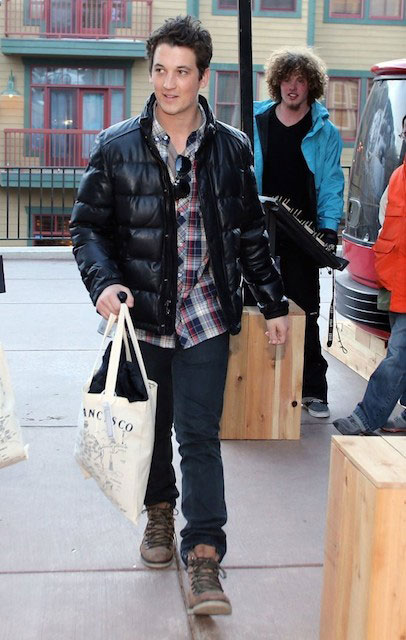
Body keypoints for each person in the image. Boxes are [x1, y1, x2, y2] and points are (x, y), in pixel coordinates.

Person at [70, 15, 289, 616]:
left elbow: (249, 233)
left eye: (182, 72)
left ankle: (205, 553)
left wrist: (271, 302)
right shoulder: (116, 146)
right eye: (160, 70)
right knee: (150, 432)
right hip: (141, 321)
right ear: (152, 71)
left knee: (198, 435)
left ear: (202, 77)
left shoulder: (230, 148)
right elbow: (86, 228)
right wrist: (105, 282)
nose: (169, 83)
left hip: (205, 317)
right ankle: (160, 513)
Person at [253, 48, 344, 419]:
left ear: (311, 85)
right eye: (287, 79)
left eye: (300, 80)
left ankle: (312, 391)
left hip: (302, 234)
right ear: (277, 83)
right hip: (257, 232)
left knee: (304, 311)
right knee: (252, 308)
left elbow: (332, 184)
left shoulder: (324, 130)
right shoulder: (255, 119)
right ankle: (254, 386)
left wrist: (327, 228)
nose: (293, 87)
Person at [333, 116, 406, 436]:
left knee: (398, 356)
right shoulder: (399, 177)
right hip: (393, 280)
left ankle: (368, 416)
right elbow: (384, 221)